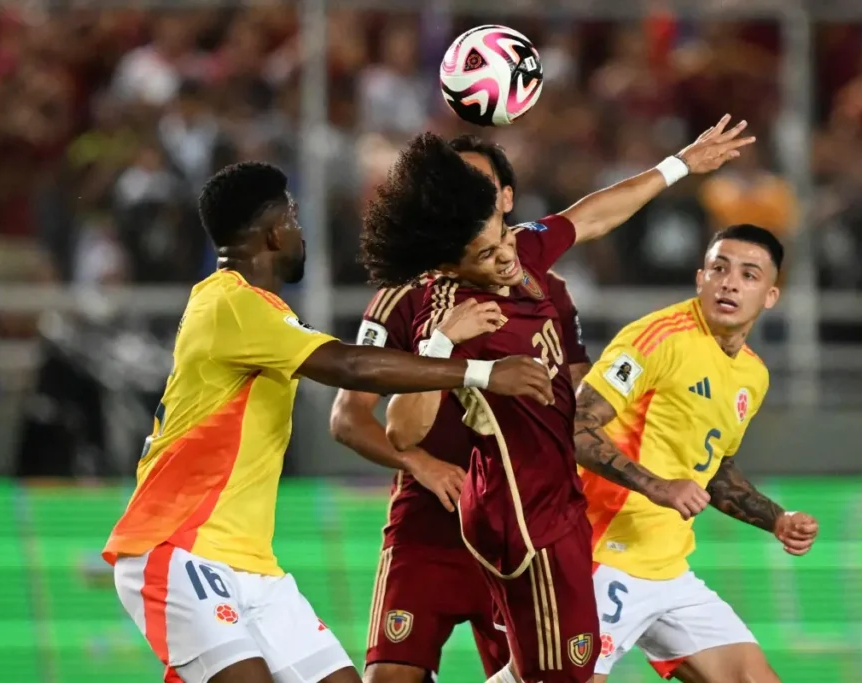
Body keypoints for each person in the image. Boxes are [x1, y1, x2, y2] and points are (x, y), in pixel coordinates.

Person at [103, 161, 554, 683]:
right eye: (293, 217)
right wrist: (481, 372)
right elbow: (350, 366)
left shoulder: (253, 310)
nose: (300, 231)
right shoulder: (231, 303)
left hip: (251, 565)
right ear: (274, 231)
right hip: (176, 546)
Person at [360, 116, 753, 683]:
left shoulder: (522, 254)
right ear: (450, 261)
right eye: (487, 252)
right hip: (519, 516)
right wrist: (452, 354)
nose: (507, 256)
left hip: (556, 503)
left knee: (553, 672)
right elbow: (401, 429)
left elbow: (591, 215)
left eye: (504, 236)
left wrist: (680, 165)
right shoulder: (446, 314)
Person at [331, 136, 592, 683]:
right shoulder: (403, 296)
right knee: (390, 677)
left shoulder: (546, 285)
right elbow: (348, 418)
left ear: (506, 199)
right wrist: (420, 464)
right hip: (428, 524)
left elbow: (575, 400)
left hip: (519, 524)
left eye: (480, 188)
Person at [572, 224, 820, 683]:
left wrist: (776, 519)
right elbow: (575, 426)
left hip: (668, 569)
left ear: (770, 295)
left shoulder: (752, 376)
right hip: (599, 556)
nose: (729, 283)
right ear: (700, 278)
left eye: (748, 275)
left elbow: (713, 468)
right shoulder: (656, 339)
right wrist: (656, 486)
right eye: (719, 269)